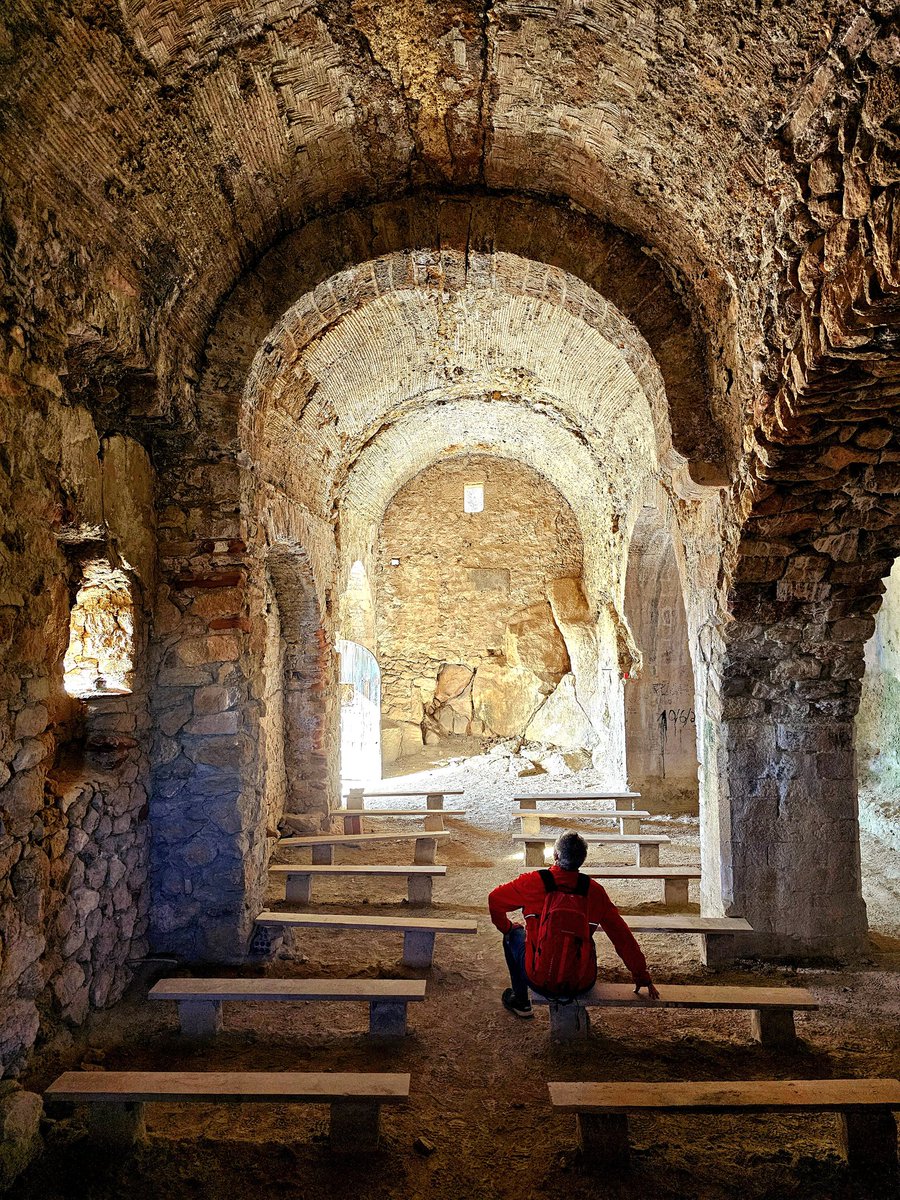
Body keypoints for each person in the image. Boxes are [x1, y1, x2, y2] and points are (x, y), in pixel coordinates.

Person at [488, 830, 660, 1017]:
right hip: (581, 982)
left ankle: (521, 1002)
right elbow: (621, 936)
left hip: (538, 977)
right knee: (587, 936)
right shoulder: (594, 891)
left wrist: (507, 927)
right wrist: (640, 974)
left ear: (555, 855)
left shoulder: (533, 882)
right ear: (582, 860)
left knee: (512, 935)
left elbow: (494, 899)